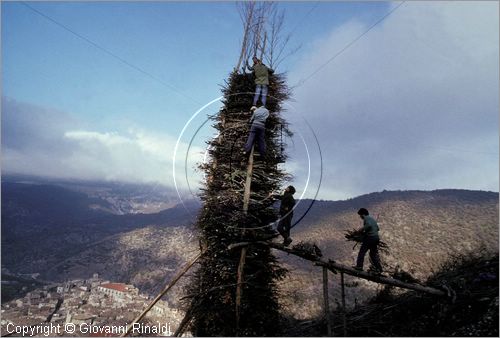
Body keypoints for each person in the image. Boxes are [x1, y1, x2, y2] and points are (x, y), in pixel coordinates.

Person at [353, 208, 383, 273]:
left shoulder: (366, 219)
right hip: (376, 238)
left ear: (363, 214)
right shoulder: (372, 219)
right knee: (373, 254)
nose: (360, 217)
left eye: (360, 215)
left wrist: (361, 229)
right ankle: (379, 269)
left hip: (370, 238)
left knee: (362, 252)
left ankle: (359, 266)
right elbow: (377, 228)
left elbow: (368, 225)